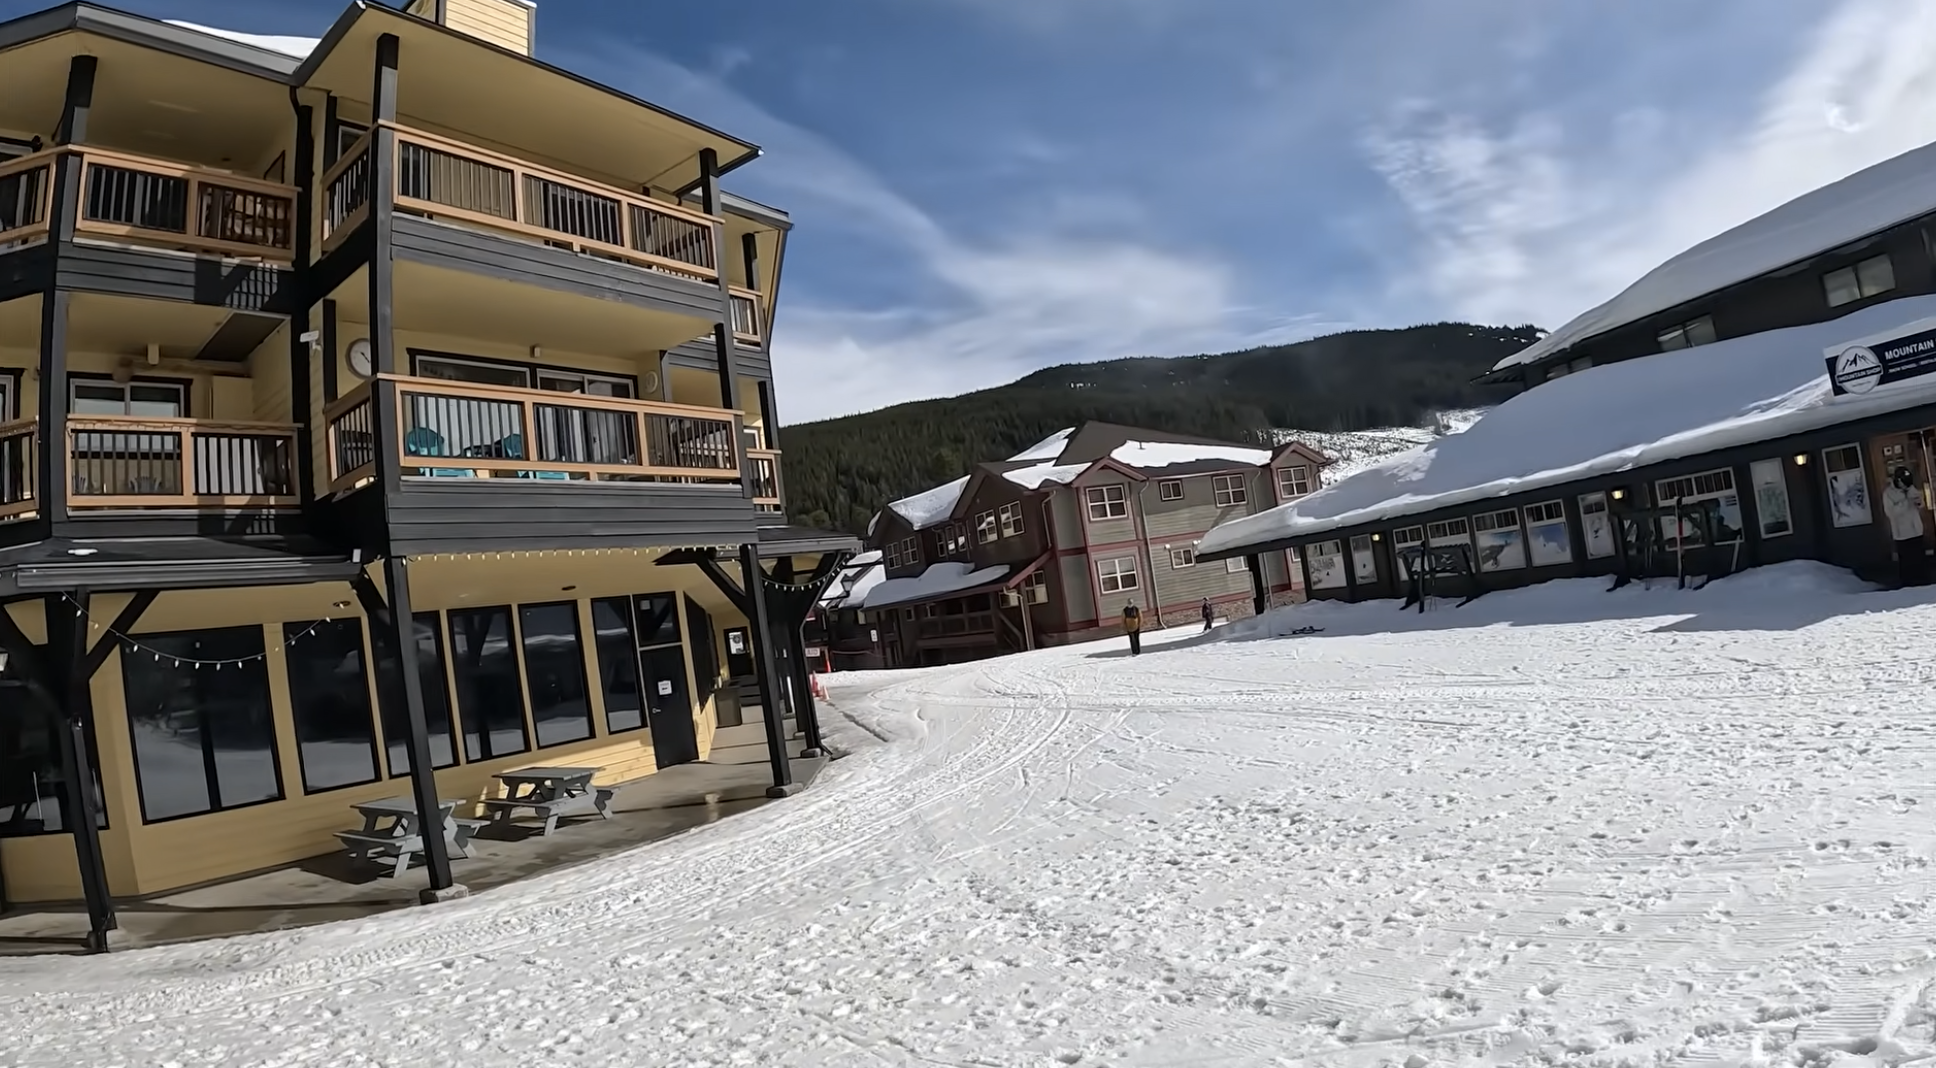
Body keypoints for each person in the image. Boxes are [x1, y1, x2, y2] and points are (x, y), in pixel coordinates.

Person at [1882, 465, 1928, 587]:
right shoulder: (1889, 493)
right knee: (1906, 561)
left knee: (1919, 558)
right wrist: (1905, 502)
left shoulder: (1911, 488)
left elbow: (1921, 504)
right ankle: (1908, 584)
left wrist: (1918, 501)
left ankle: (1923, 581)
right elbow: (1890, 512)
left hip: (1916, 530)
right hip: (1901, 533)